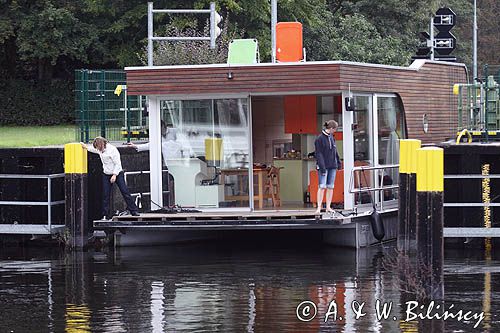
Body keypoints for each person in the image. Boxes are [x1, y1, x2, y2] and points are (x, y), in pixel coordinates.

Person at [81, 137, 139, 220]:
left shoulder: (112, 150)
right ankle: (105, 215)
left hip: (117, 173)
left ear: (102, 145)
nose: (98, 150)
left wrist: (114, 175)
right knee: (105, 194)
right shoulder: (98, 149)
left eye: (98, 147)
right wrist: (85, 147)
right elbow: (93, 149)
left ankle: (134, 210)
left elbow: (118, 164)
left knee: (124, 191)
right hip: (106, 174)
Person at [314, 120, 342, 215]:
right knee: (322, 186)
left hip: (332, 165)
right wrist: (322, 167)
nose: (335, 131)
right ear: (331, 128)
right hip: (324, 166)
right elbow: (319, 154)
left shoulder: (332, 138)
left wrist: (338, 162)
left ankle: (328, 207)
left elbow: (335, 151)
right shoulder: (319, 139)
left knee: (330, 187)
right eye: (335, 129)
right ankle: (319, 207)